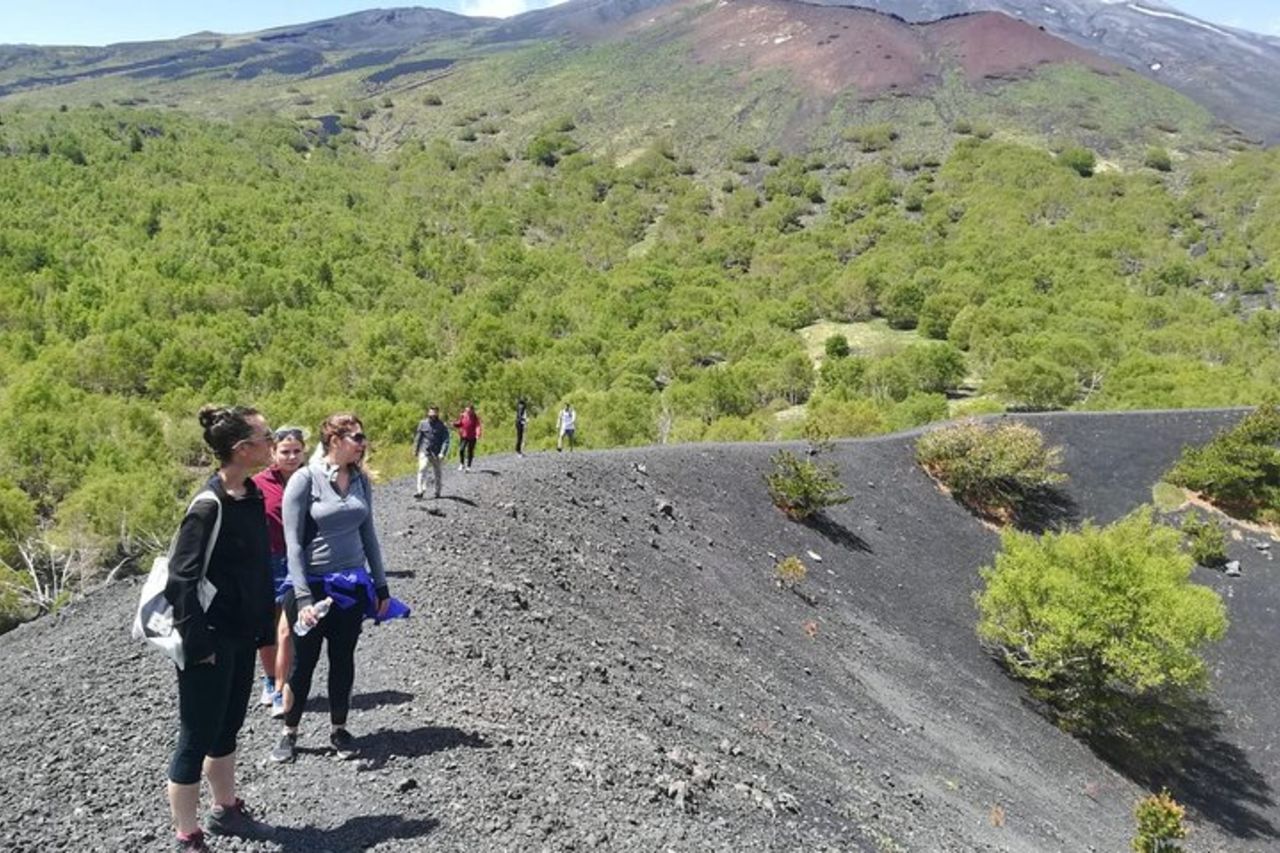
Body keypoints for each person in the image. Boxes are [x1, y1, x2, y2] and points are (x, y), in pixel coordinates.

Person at [166, 405, 276, 852]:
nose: (271, 442)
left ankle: (225, 810)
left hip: (240, 633)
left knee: (227, 726)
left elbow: (255, 570)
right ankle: (187, 835)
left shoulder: (250, 496)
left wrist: (263, 631)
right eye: (265, 437)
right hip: (208, 640)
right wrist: (198, 645)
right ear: (242, 449)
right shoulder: (208, 506)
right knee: (195, 736)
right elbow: (180, 580)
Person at [272, 413, 392, 764]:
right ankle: (289, 732)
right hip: (312, 586)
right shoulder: (305, 480)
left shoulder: (359, 480)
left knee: (343, 659)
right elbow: (292, 543)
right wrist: (304, 595)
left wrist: (381, 585)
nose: (362, 442)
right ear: (335, 440)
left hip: (351, 585)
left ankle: (339, 728)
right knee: (304, 663)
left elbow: (368, 533)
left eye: (362, 436)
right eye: (356, 437)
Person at [250, 426, 307, 719]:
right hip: (267, 561)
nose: (291, 456)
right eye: (285, 451)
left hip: (300, 560)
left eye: (297, 451)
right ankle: (270, 678)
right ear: (273, 452)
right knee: (267, 626)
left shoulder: (312, 480)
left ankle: (283, 684)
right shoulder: (258, 484)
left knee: (289, 627)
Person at [413, 406, 450, 499]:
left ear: (437, 414)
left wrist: (443, 452)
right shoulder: (422, 424)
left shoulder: (442, 426)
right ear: (428, 413)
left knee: (437, 472)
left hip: (437, 453)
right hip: (425, 450)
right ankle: (419, 490)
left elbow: (446, 440)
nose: (432, 415)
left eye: (434, 413)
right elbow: (418, 438)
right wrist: (416, 450)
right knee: (422, 468)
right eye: (431, 413)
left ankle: (437, 492)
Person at [454, 403, 481, 472]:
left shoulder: (475, 417)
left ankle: (468, 466)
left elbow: (477, 426)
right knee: (461, 449)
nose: (468, 412)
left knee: (470, 451)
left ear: (472, 410)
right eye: (467, 410)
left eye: (469, 410)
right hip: (464, 435)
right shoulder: (463, 416)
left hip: (472, 436)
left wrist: (478, 434)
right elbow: (460, 423)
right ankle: (462, 464)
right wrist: (455, 424)